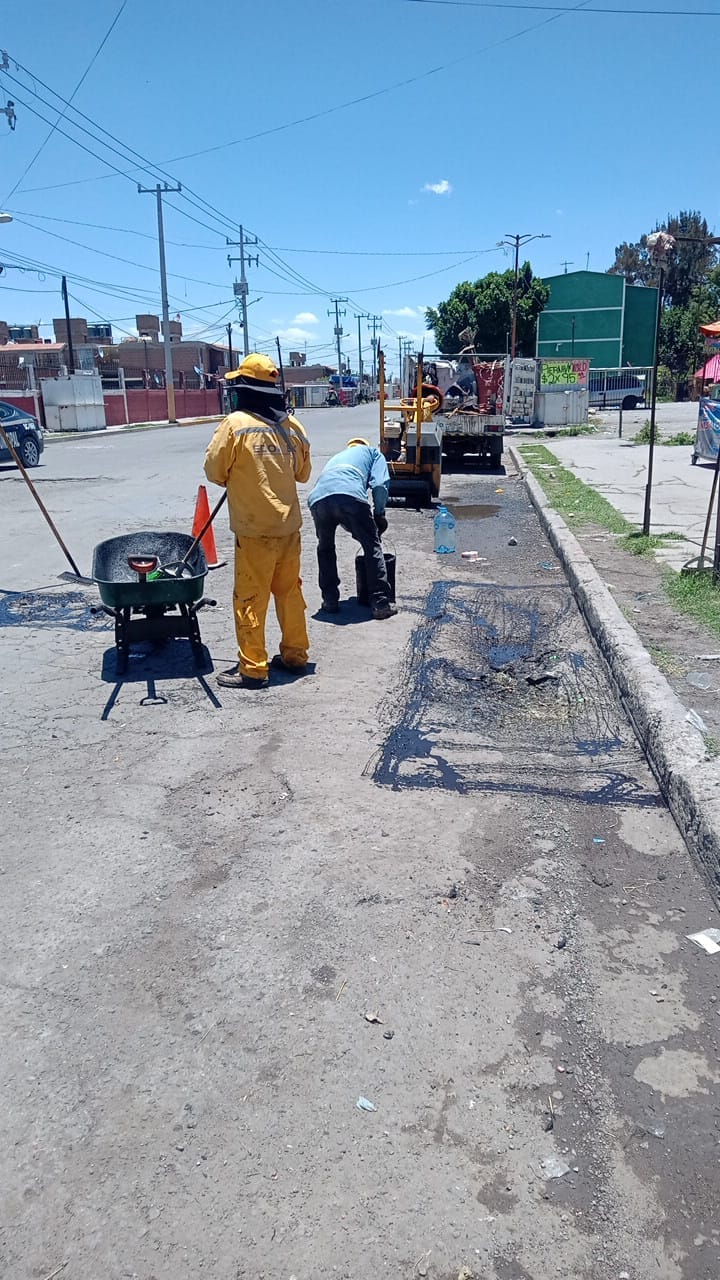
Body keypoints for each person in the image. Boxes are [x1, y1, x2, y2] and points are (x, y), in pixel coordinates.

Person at [204, 353, 311, 690]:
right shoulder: (292, 427)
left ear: (245, 390)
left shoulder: (235, 425)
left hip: (255, 532)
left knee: (250, 597)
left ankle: (253, 669)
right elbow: (303, 474)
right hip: (289, 528)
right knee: (289, 593)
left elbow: (213, 470)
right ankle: (295, 656)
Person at [308, 437, 396, 620]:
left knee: (325, 549)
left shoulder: (339, 457)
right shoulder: (373, 453)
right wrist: (379, 514)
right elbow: (380, 485)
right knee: (372, 546)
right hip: (349, 496)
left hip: (318, 500)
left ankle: (330, 600)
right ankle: (380, 603)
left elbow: (335, 502)